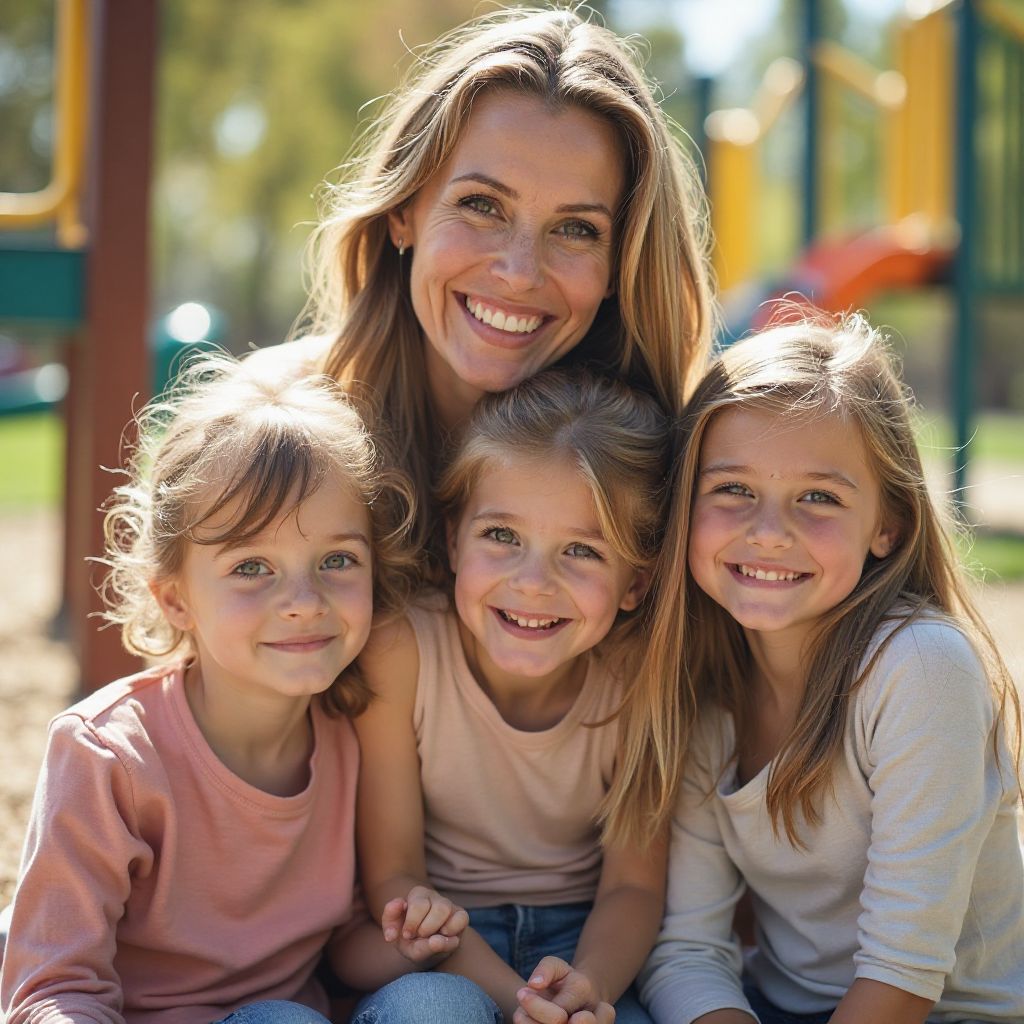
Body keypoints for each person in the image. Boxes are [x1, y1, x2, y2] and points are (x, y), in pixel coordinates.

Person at [0, 357, 472, 1024]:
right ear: (175, 598)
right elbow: (52, 989)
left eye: (337, 560)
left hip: (298, 1014)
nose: (304, 601)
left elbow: (341, 949)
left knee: (444, 1002)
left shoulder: (350, 734)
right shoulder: (108, 757)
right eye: (252, 567)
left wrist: (404, 942)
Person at [637, 314, 1024, 1024]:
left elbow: (902, 973)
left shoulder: (920, 669)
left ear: (888, 526)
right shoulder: (704, 692)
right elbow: (688, 950)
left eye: (819, 497)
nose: (769, 532)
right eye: (732, 489)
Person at [249, 5, 713, 572]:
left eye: (576, 229)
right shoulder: (258, 435)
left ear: (622, 267)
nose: (519, 272)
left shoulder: (687, 486)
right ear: (402, 212)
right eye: (481, 205)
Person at [351, 369, 679, 1024]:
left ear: (636, 583)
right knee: (430, 1014)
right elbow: (393, 874)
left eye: (581, 550)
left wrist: (587, 988)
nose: (533, 583)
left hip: (589, 945)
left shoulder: (640, 674)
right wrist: (523, 1007)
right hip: (442, 939)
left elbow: (633, 887)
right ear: (454, 539)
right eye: (502, 536)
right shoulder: (403, 650)